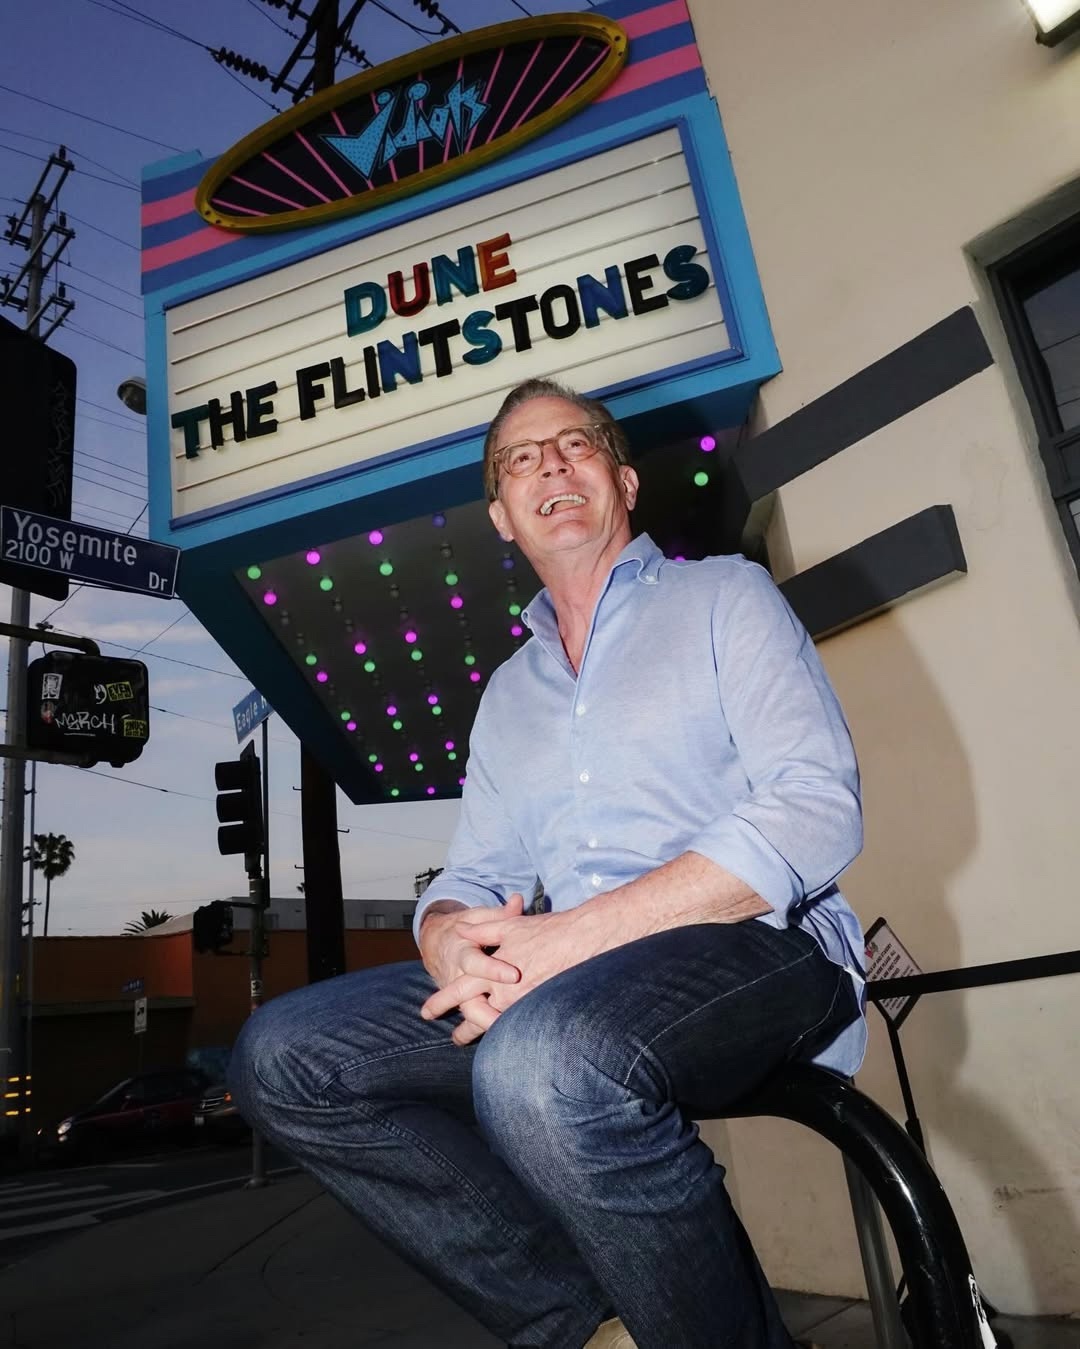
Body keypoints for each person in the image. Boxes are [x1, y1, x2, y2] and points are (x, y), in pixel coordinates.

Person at [229, 378, 868, 1349]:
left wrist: (568, 940)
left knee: (540, 1063)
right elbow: (473, 873)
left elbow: (816, 805)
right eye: (520, 459)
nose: (551, 466)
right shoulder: (505, 695)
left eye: (576, 444)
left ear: (623, 481)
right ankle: (591, 1324)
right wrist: (448, 940)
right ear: (501, 514)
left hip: (761, 948)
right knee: (286, 1055)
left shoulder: (724, 597)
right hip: (569, 987)